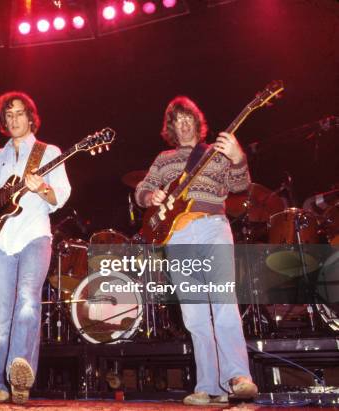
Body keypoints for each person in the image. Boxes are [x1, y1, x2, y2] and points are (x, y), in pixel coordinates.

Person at [135, 96, 258, 405]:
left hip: (213, 225)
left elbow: (241, 185)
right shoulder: (164, 159)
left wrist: (238, 157)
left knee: (223, 301)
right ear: (171, 128)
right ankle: (208, 385)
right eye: (178, 119)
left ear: (198, 122)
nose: (184, 122)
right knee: (194, 313)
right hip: (178, 235)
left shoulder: (216, 155)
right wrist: (151, 197)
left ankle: (238, 376)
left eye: (188, 116)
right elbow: (141, 190)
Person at [0, 91, 71, 404]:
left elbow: (59, 196)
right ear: (3, 122)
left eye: (19, 113)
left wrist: (43, 187)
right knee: (1, 317)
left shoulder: (49, 152)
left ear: (31, 117)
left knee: (27, 303)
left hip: (35, 234)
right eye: (8, 115)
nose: (14, 120)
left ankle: (20, 374)